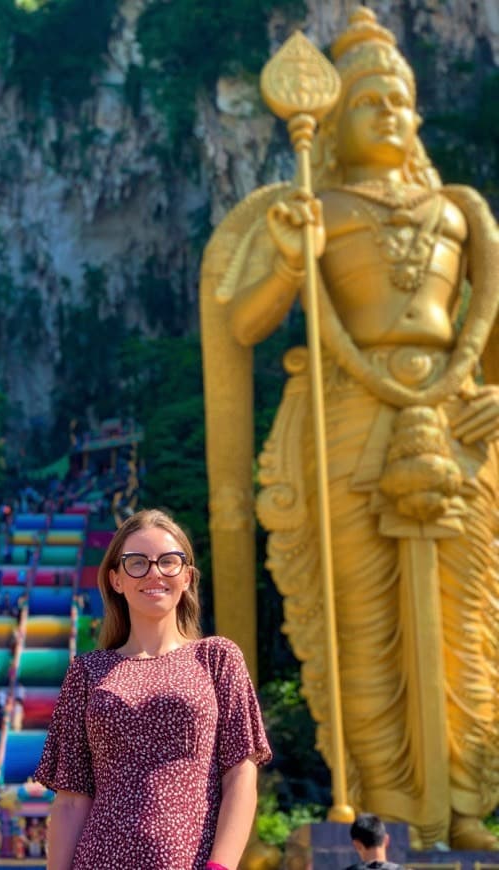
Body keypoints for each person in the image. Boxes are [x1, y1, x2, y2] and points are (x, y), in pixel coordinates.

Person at [201, 6, 499, 850]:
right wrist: (295, 257)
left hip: (455, 425)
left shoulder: (462, 211)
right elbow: (244, 320)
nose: (393, 116)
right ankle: (379, 816)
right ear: (333, 121)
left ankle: (466, 808)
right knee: (359, 626)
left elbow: (494, 330)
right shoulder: (312, 205)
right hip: (347, 421)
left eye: (403, 101)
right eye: (372, 102)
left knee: (469, 619)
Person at [35, 508, 272, 870]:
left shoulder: (216, 659)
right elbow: (70, 801)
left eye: (168, 561)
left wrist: (220, 867)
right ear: (116, 579)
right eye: (137, 563)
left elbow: (241, 774)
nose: (153, 572)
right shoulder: (86, 672)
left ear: (188, 576)